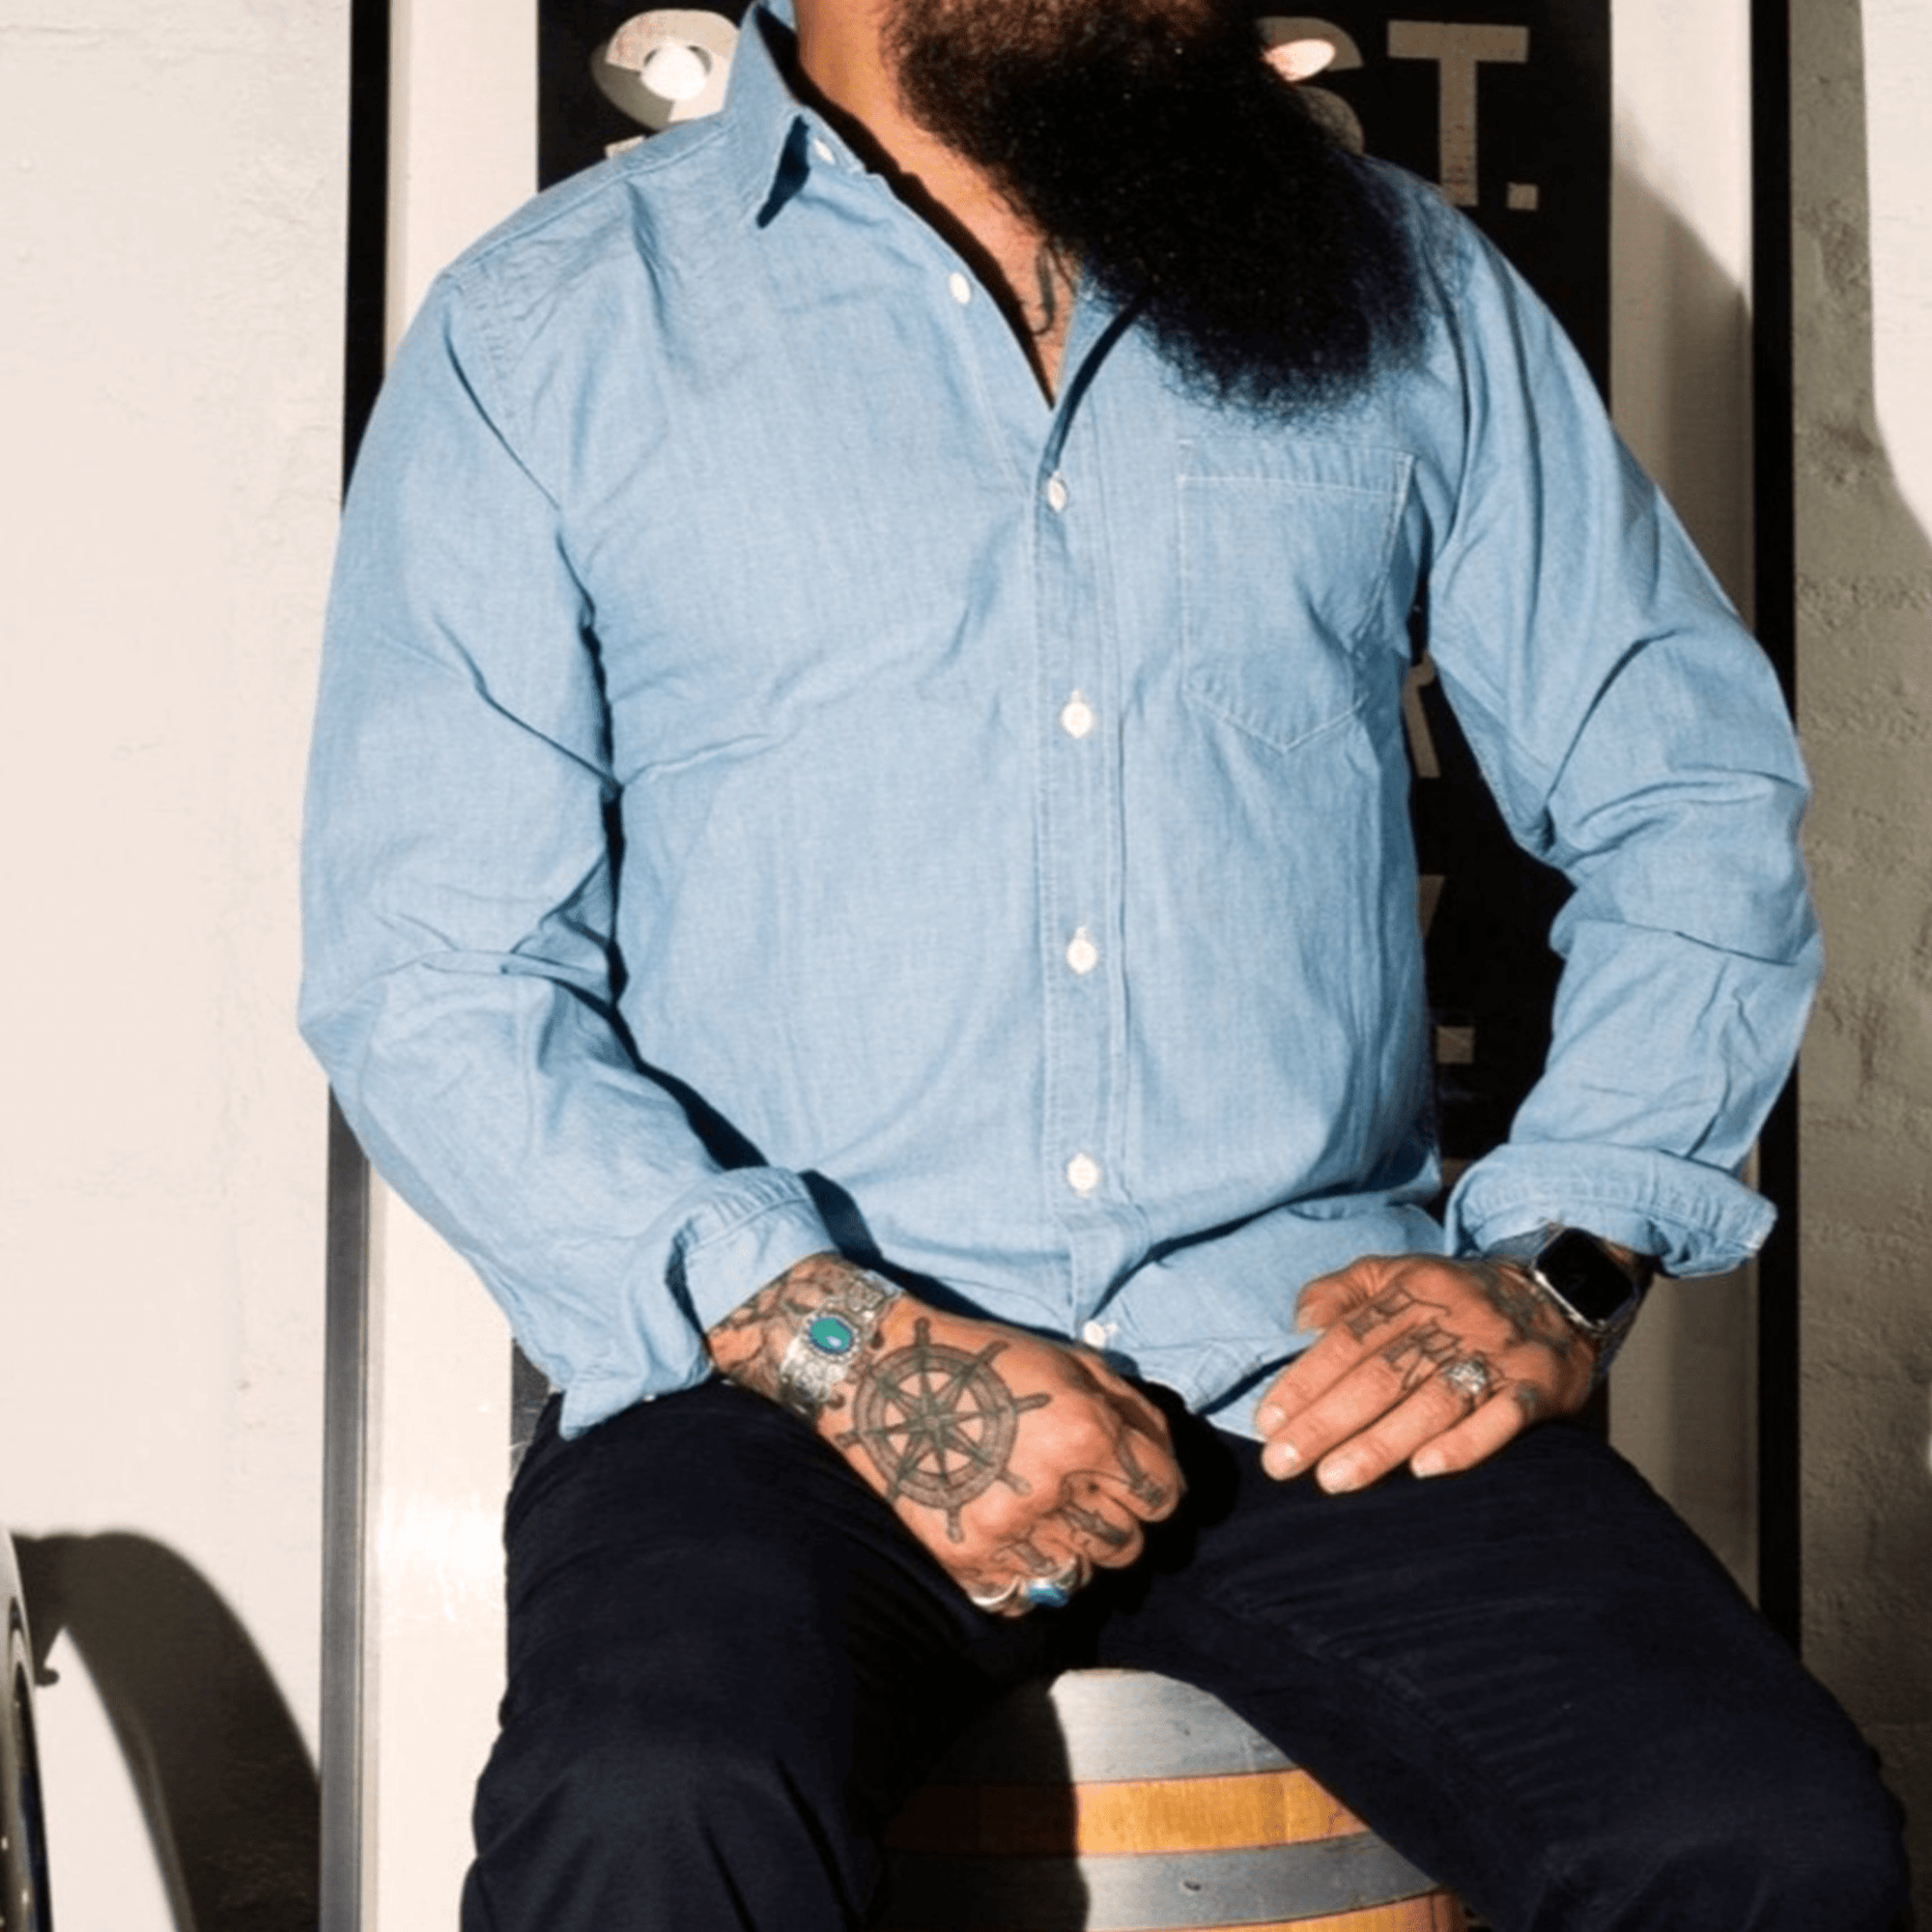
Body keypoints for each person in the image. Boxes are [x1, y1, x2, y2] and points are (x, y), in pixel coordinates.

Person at [299, 1, 1911, 1924]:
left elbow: (1689, 794)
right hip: (784, 1384)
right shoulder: (549, 324)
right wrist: (845, 1343)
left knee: (1762, 1834)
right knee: (651, 1807)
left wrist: (1567, 1254)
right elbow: (436, 964)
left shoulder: (1403, 281)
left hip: (1310, 1369)